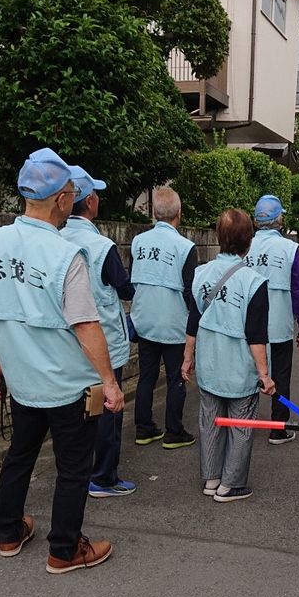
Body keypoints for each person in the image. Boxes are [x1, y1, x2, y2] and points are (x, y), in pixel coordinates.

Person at [0, 148, 124, 573]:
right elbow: (86, 326)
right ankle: (64, 549)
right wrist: (110, 384)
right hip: (67, 387)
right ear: (62, 200)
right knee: (73, 467)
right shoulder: (65, 255)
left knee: (20, 454)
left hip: (22, 381)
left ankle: (8, 532)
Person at [181, 209, 275, 502]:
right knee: (241, 425)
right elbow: (257, 335)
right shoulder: (254, 282)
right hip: (240, 368)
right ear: (249, 242)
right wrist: (264, 375)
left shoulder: (200, 274)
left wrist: (187, 357)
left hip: (210, 364)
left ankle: (211, 479)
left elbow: (193, 320)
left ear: (219, 238)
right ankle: (230, 485)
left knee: (209, 420)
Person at [61, 165, 135, 498]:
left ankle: (74, 473)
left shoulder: (55, 239)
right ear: (89, 200)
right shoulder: (101, 246)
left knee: (72, 409)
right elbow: (124, 288)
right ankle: (103, 478)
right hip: (103, 341)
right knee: (108, 407)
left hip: (68, 342)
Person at [130, 188, 197, 449]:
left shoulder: (138, 242)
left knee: (146, 376)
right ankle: (173, 430)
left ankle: (143, 428)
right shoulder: (186, 247)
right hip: (174, 324)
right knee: (176, 377)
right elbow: (191, 291)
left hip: (144, 320)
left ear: (154, 213)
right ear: (179, 213)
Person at [247, 194, 299, 444]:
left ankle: (243, 424)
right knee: (280, 376)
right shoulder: (289, 248)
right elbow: (298, 290)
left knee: (248, 372)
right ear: (279, 219)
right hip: (279, 325)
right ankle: (277, 428)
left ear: (255, 219)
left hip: (249, 326)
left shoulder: (245, 246)